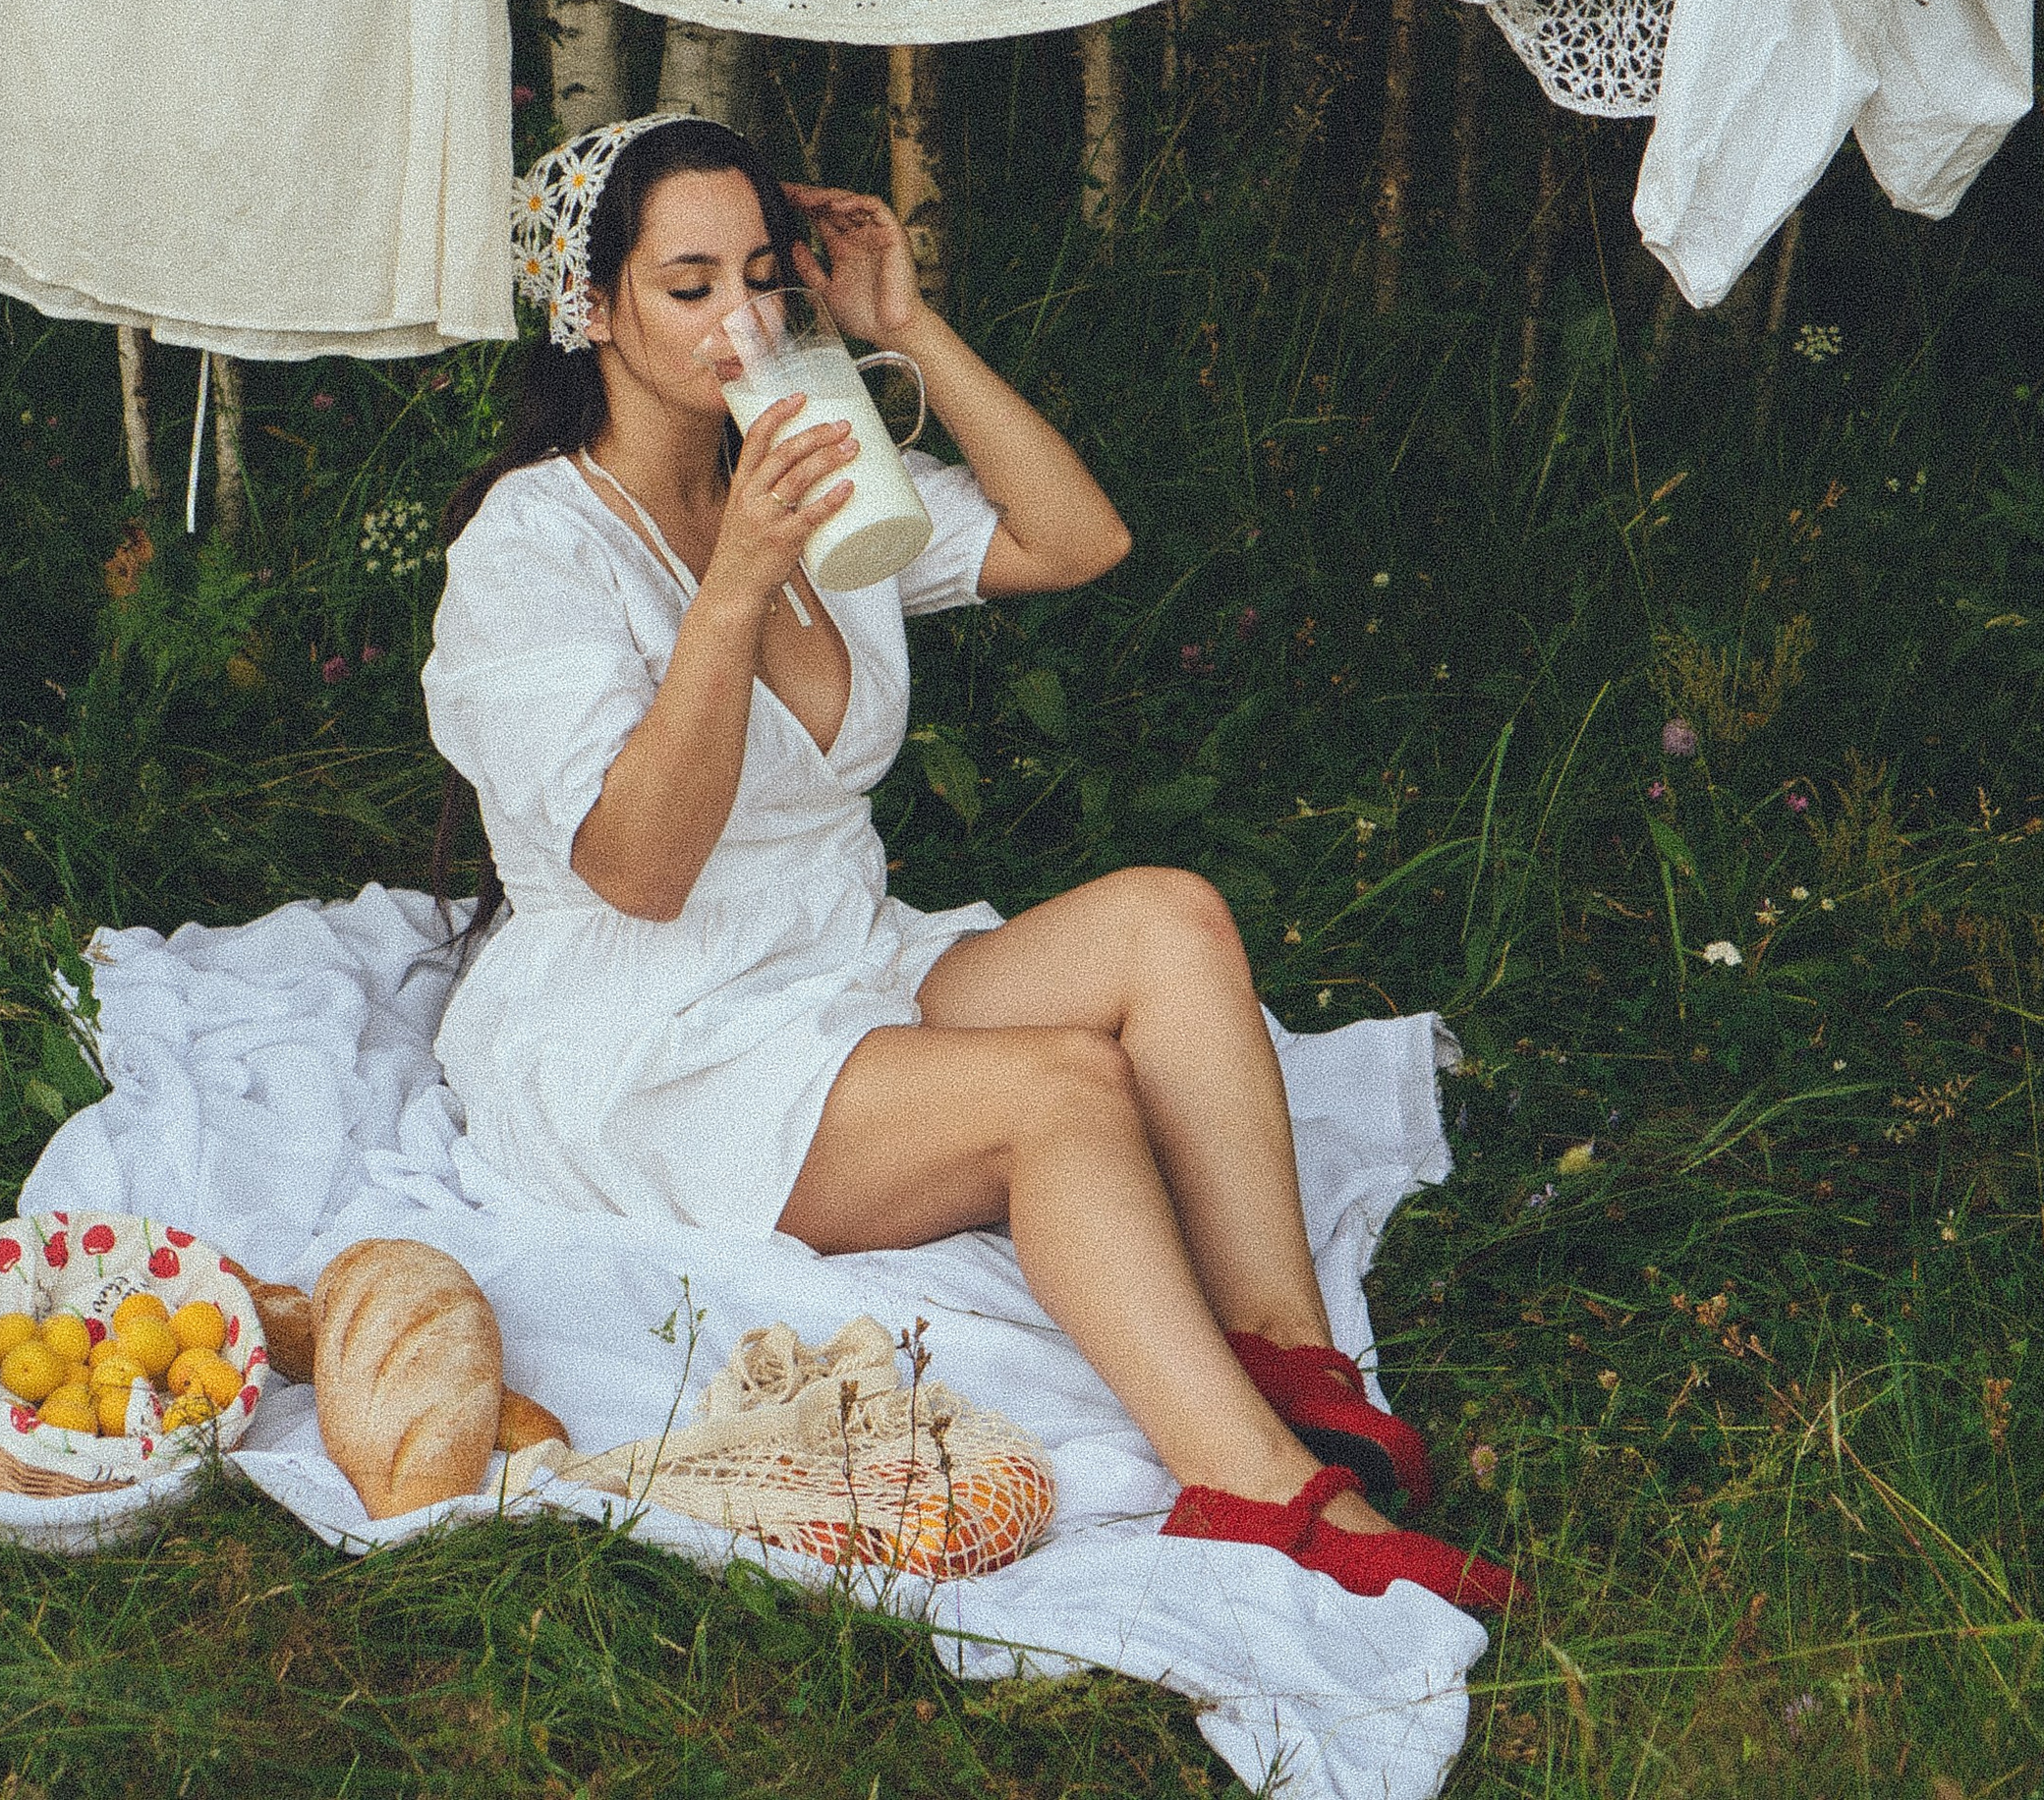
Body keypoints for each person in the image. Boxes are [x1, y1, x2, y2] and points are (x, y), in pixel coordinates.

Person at [424, 112, 1511, 1610]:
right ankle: (1251, 1491)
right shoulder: (534, 546)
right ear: (591, 308)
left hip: (835, 955)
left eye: (762, 276)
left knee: (1171, 924)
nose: (743, 322)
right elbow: (641, 870)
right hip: (655, 1029)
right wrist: (735, 580)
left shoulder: (806, 463)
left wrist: (905, 325)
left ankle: (1284, 1354)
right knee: (1057, 1094)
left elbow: (1078, 540)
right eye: (688, 287)